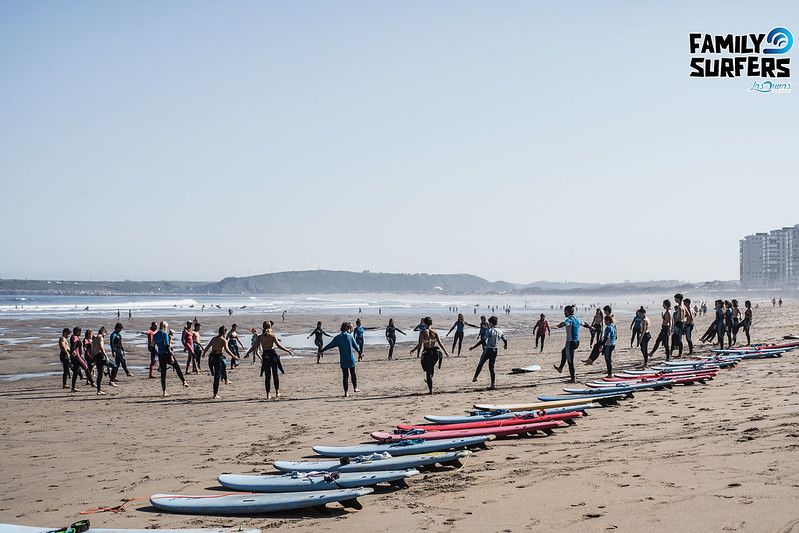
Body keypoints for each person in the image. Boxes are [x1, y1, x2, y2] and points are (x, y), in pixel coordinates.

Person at [248, 321, 293, 399]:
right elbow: (279, 346)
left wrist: (247, 353)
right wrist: (288, 350)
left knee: (267, 376)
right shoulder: (272, 335)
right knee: (275, 374)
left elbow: (254, 347)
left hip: (265, 355)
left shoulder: (260, 337)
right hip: (272, 354)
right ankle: (277, 392)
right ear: (270, 327)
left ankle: (268, 394)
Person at [322, 322, 362, 397]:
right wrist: (360, 353)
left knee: (345, 376)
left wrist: (322, 350)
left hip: (343, 360)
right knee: (353, 373)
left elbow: (330, 345)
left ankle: (346, 392)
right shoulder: (350, 336)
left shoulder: (338, 338)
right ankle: (355, 388)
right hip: (351, 359)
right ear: (347, 328)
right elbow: (356, 346)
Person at [411, 317, 449, 394]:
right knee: (431, 369)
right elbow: (440, 343)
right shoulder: (435, 333)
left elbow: (419, 344)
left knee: (428, 371)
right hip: (435, 353)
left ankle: (430, 389)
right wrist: (445, 352)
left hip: (427, 353)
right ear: (431, 323)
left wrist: (413, 350)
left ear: (424, 323)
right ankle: (429, 380)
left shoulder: (423, 333)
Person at [203, 326, 239, 399]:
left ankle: (226, 379)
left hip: (212, 357)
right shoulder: (223, 340)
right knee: (217, 376)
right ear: (224, 332)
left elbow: (207, 347)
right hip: (218, 358)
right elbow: (227, 350)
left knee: (223, 365)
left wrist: (203, 353)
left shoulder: (213, 339)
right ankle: (215, 394)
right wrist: (234, 356)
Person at [472, 316, 507, 390]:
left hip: (488, 350)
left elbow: (483, 340)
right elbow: (505, 339)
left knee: (481, 363)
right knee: (491, 367)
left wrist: (474, 347)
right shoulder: (499, 331)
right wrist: (505, 345)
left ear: (490, 323)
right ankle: (492, 385)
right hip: (495, 350)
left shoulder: (490, 331)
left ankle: (475, 377)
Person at [153, 321, 188, 397]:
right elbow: (167, 345)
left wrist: (157, 354)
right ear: (165, 326)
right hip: (167, 354)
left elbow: (152, 346)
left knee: (163, 374)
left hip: (161, 355)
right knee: (177, 367)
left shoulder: (155, 335)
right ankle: (184, 381)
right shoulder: (164, 333)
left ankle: (164, 391)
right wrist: (171, 354)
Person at [554, 306, 582, 383]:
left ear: (568, 311)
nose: (564, 313)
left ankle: (573, 379)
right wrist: (591, 327)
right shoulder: (577, 319)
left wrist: (558, 326)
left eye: (565, 311)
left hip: (570, 343)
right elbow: (584, 323)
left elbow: (565, 323)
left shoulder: (569, 320)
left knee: (570, 361)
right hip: (577, 342)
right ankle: (560, 368)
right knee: (564, 352)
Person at [90, 326, 111, 394]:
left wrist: (93, 356)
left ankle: (99, 390)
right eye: (105, 334)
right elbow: (101, 348)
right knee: (113, 365)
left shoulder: (94, 338)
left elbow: (92, 348)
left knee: (100, 373)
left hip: (96, 356)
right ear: (103, 332)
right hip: (100, 355)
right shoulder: (100, 337)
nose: (105, 335)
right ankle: (110, 379)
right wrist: (106, 356)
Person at [69, 327, 87, 392]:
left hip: (76, 356)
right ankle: (92, 382)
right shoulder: (75, 337)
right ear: (77, 332)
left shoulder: (74, 337)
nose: (80, 333)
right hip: (77, 357)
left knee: (76, 373)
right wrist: (73, 351)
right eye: (80, 332)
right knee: (86, 367)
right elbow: (73, 346)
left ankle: (73, 388)